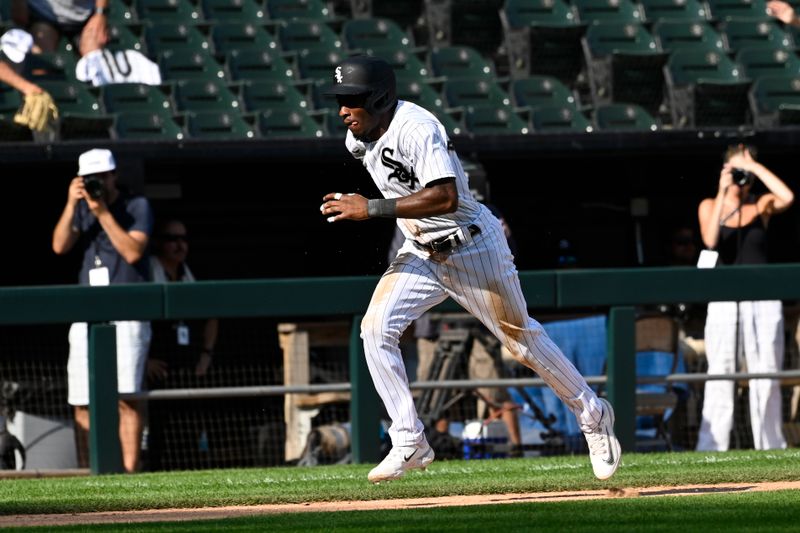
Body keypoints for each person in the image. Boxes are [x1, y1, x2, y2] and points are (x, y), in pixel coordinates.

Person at [320, 55, 620, 483]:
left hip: (472, 246)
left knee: (523, 344)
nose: (342, 110)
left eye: (352, 100)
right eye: (340, 101)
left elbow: (445, 198)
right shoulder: (358, 138)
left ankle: (593, 414)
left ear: (381, 97)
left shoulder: (417, 128)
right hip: (422, 251)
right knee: (375, 328)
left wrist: (371, 207)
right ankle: (409, 439)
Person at [51, 148, 153, 472]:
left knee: (126, 396)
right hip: (88, 312)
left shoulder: (136, 205)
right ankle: (89, 470)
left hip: (127, 311)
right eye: (89, 179)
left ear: (113, 176)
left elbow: (133, 251)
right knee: (82, 400)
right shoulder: (80, 210)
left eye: (101, 178)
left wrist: (103, 212)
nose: (97, 184)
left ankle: (128, 472)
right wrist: (72, 203)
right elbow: (59, 246)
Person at [696, 144, 794, 451]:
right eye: (737, 170)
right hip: (724, 301)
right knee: (721, 373)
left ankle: (770, 445)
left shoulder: (760, 204)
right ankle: (711, 447)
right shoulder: (710, 205)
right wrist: (723, 189)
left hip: (763, 301)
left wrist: (755, 167)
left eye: (744, 173)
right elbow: (710, 241)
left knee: (766, 373)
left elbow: (787, 197)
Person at [145, 218, 219, 471]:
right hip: (157, 370)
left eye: (183, 239)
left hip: (188, 369)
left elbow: (212, 315)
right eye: (172, 239)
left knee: (190, 432)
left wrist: (206, 355)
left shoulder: (190, 273)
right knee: (157, 435)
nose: (179, 245)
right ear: (159, 243)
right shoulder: (146, 273)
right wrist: (143, 361)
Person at [12, 0, 108, 53]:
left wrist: (100, 13)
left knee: (95, 58)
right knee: (42, 58)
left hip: (85, 17)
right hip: (43, 16)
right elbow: (20, 17)